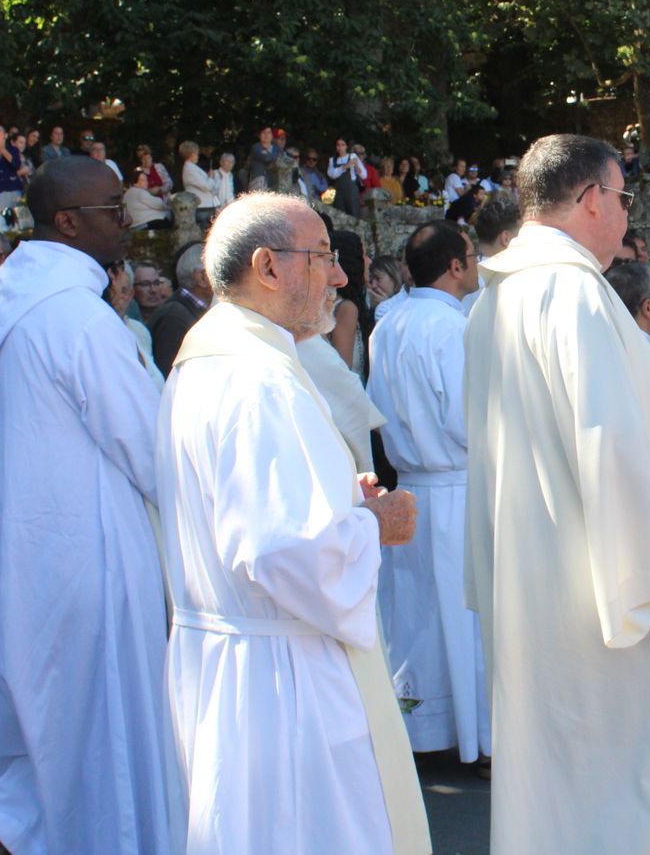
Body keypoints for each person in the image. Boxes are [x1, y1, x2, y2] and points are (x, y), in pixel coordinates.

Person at [463, 134, 650, 854]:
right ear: (593, 197)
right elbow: (610, 440)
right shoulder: (574, 294)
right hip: (616, 600)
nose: (626, 215)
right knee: (642, 779)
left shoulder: (492, 302)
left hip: (540, 585)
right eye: (623, 196)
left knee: (569, 788)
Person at [156, 193, 430, 854]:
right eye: (323, 258)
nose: (338, 277)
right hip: (287, 681)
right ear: (267, 267)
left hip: (235, 662)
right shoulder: (260, 381)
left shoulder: (208, 362)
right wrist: (375, 526)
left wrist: (344, 506)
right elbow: (286, 553)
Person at [0, 157, 175, 855]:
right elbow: (153, 449)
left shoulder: (10, 303)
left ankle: (4, 827)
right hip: (90, 552)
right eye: (110, 208)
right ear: (66, 221)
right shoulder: (78, 318)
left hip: (26, 547)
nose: (126, 219)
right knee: (99, 731)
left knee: (45, 720)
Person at [366, 220, 491, 771]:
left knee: (418, 615)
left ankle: (424, 727)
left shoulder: (388, 324)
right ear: (456, 266)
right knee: (469, 617)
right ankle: (480, 734)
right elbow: (467, 421)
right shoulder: (452, 328)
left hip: (412, 488)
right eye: (472, 255)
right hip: (459, 485)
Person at [147, 241, 211, 375]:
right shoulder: (173, 318)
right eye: (218, 270)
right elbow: (170, 375)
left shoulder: (187, 312)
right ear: (202, 277)